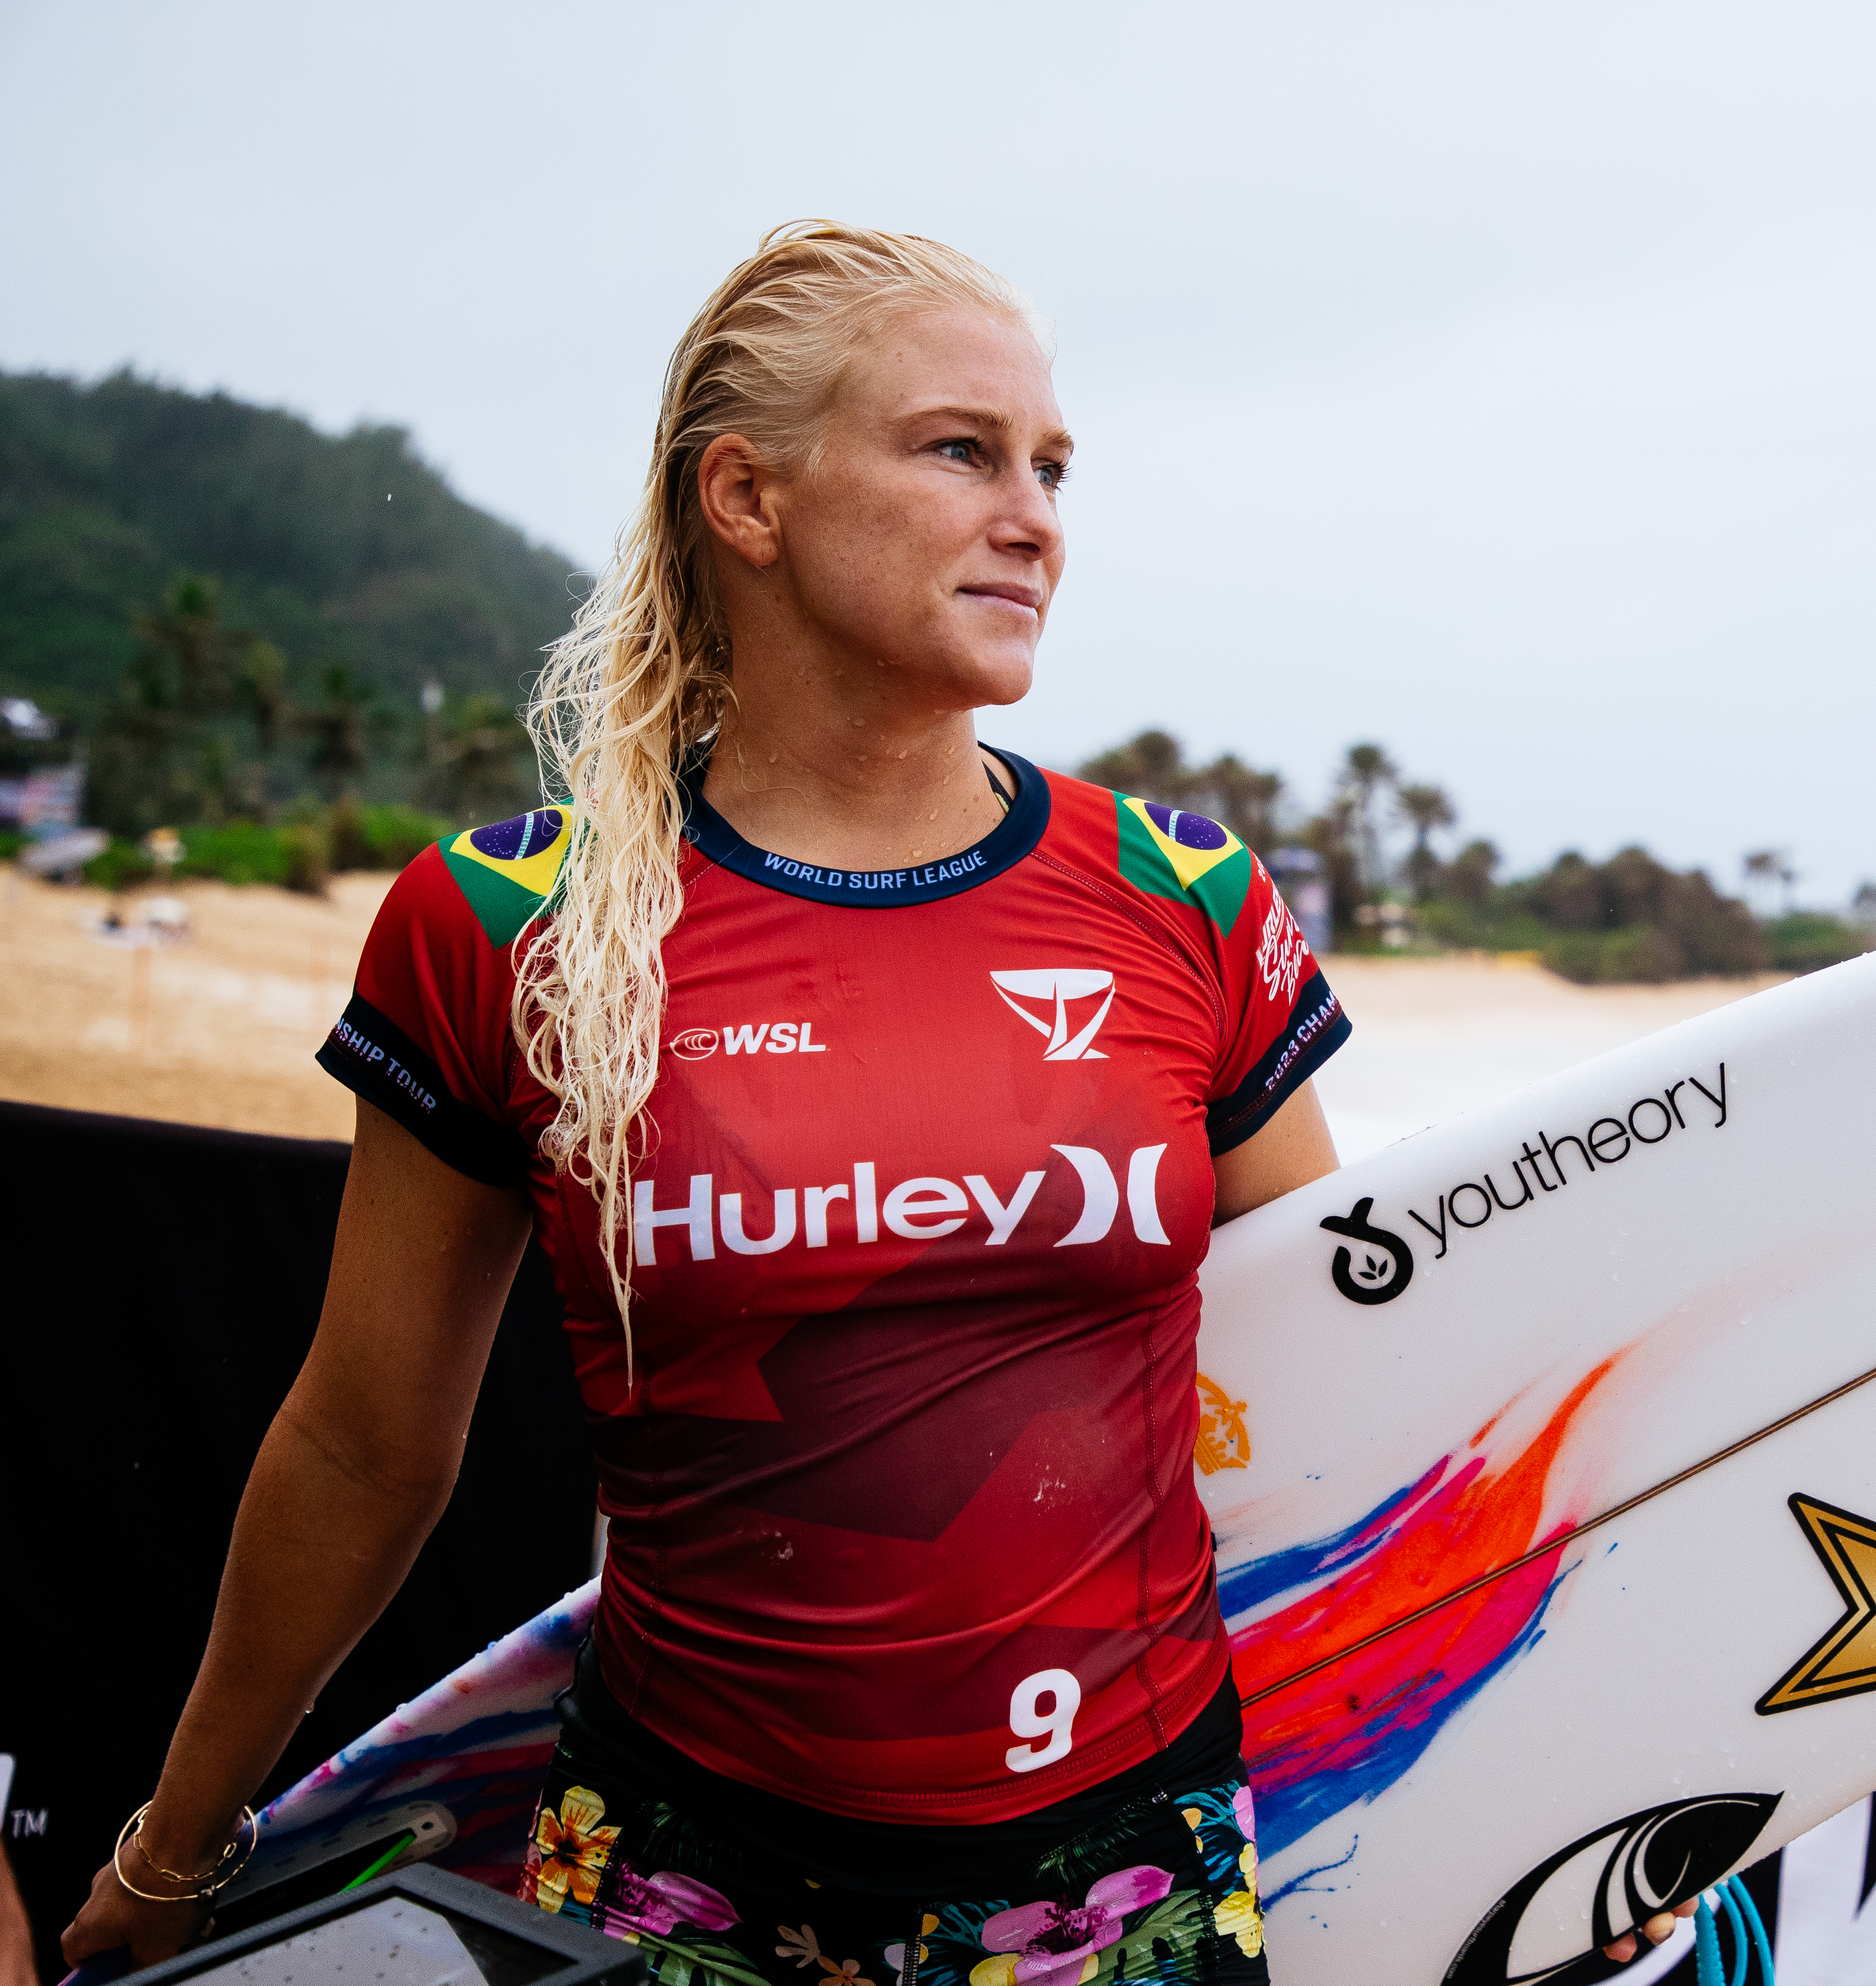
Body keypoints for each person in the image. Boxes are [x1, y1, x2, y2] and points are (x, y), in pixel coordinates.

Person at [61, 223, 1678, 1985]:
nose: (1036, 515)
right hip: (685, 1881)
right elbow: (369, 1445)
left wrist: (1564, 1769)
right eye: (958, 450)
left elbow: (1350, 1381)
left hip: (1124, 1872)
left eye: (1051, 466)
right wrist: (174, 1849)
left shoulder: (1177, 895)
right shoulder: (512, 926)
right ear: (745, 498)